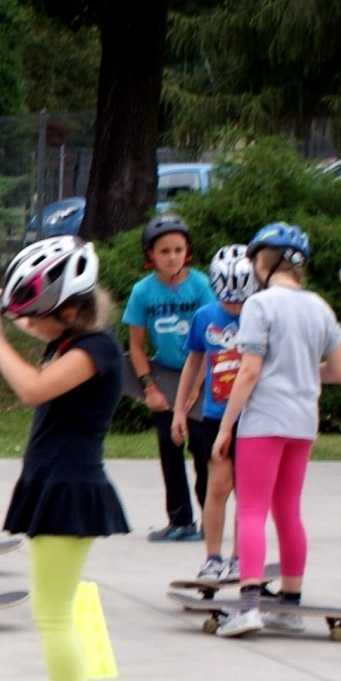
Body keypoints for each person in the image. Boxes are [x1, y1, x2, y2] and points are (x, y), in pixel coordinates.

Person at [0, 237, 130, 681]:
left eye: (33, 316)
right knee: (55, 614)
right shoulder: (73, 337)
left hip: (70, 489)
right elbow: (31, 323)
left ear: (67, 311)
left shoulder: (95, 351)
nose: (24, 326)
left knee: (53, 617)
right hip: (57, 484)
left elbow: (31, 389)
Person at [212, 224, 341, 636]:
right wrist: (303, 370)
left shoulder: (260, 304)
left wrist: (226, 426)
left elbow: (249, 371)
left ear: (265, 261)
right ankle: (289, 602)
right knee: (288, 510)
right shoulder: (320, 306)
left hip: (263, 420)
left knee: (251, 508)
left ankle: (249, 605)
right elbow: (339, 370)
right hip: (302, 422)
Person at [123, 214, 216, 542]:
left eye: (178, 249)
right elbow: (135, 347)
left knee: (204, 450)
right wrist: (149, 387)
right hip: (163, 375)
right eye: (164, 251)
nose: (172, 256)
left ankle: (211, 518)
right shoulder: (142, 291)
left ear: (187, 251)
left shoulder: (202, 284)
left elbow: (212, 337)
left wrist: (195, 388)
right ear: (151, 255)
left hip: (202, 372)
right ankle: (180, 521)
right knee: (169, 445)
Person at [171, 244, 256, 582]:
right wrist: (180, 409)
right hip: (214, 414)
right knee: (217, 486)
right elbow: (193, 363)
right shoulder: (205, 316)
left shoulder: (259, 314)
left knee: (246, 490)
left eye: (239, 300)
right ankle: (213, 557)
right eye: (227, 299)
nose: (233, 306)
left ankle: (239, 557)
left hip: (253, 416)